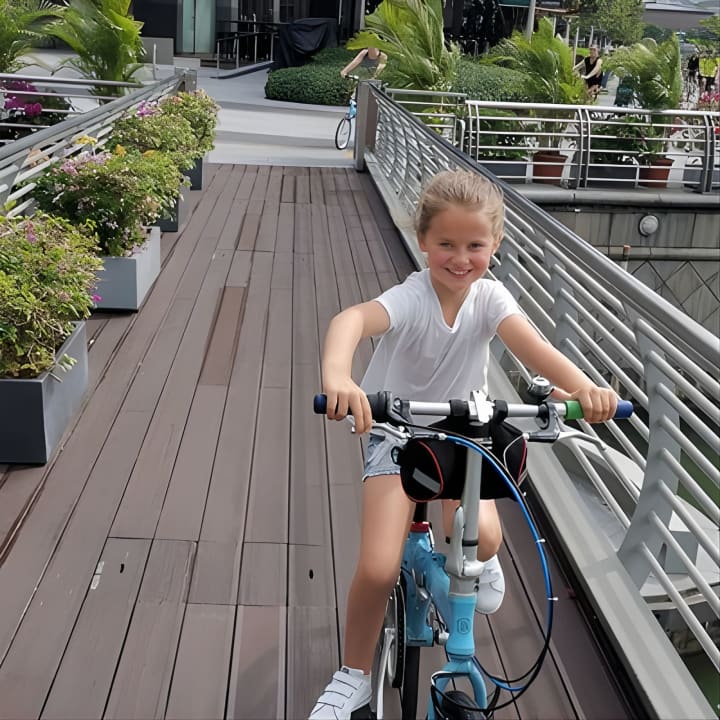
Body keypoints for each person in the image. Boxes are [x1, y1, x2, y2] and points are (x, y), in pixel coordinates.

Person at [309, 169, 619, 720]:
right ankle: (351, 676)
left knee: (484, 540)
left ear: (494, 244)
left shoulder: (490, 298)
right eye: (446, 244)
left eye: (475, 245)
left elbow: (536, 350)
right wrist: (339, 377)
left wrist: (584, 390)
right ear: (424, 241)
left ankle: (469, 562)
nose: (460, 259)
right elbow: (351, 320)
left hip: (463, 435)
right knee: (378, 567)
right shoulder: (413, 297)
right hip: (398, 433)